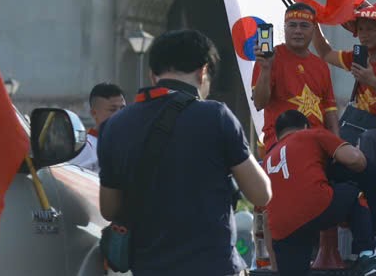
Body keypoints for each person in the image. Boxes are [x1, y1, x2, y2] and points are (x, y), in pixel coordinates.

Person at [97, 29, 271, 276]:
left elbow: (109, 209)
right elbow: (261, 194)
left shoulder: (113, 126)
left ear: (152, 75)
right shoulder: (216, 116)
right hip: (213, 267)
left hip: (149, 268)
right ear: (203, 72)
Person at [311, 2, 376, 243]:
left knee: (364, 143)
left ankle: (374, 227)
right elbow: (325, 53)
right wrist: (315, 22)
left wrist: (371, 79)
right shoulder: (359, 56)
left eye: (370, 29)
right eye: (361, 29)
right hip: (361, 128)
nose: (364, 34)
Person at [264, 109, 376, 276]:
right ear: (305, 126)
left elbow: (265, 211)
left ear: (277, 137)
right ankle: (367, 254)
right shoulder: (312, 134)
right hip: (315, 205)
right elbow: (356, 159)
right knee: (354, 192)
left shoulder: (268, 158)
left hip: (281, 229)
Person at [252, 0, 338, 148]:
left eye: (304, 26)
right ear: (284, 28)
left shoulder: (321, 65)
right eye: (292, 25)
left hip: (318, 141)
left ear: (313, 30)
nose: (298, 31)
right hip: (282, 141)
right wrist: (266, 69)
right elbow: (259, 103)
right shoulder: (269, 58)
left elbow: (330, 110)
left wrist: (337, 144)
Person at [68, 81, 125, 172]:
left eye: (123, 108)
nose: (120, 114)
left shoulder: (131, 143)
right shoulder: (85, 149)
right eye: (112, 110)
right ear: (94, 113)